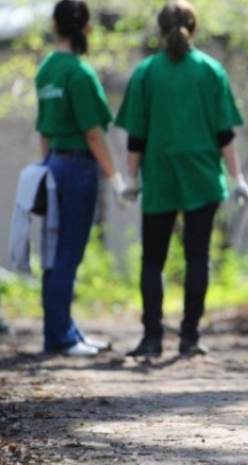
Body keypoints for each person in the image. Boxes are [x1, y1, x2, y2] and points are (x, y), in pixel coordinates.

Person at [115, 0, 248, 358]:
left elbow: (137, 137)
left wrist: (131, 180)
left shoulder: (146, 72)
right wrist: (237, 178)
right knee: (197, 258)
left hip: (160, 176)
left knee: (153, 261)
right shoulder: (211, 71)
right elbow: (225, 134)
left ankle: (151, 340)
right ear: (193, 29)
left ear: (160, 30)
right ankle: (189, 339)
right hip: (202, 177)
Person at [34, 0, 125, 357]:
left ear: (56, 27)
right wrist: (115, 178)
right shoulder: (79, 73)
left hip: (53, 163)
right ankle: (61, 337)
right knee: (68, 253)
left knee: (54, 252)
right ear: (85, 29)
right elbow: (93, 133)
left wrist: (43, 168)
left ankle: (62, 329)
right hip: (78, 168)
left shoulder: (46, 71)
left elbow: (43, 130)